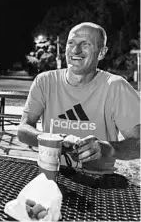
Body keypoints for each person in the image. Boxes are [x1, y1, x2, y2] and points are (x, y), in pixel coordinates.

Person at [18, 22, 140, 173]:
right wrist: (54, 140)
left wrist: (107, 148)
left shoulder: (116, 87)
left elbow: (138, 143)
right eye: (71, 43)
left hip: (98, 179)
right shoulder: (44, 81)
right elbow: (23, 130)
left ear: (101, 52)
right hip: (52, 173)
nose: (76, 50)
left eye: (85, 44)